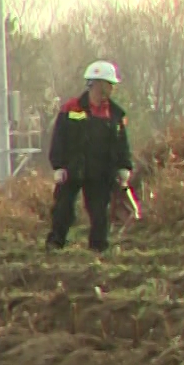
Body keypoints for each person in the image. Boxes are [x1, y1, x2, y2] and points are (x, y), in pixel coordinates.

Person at [46, 61, 133, 254]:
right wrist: (58, 166)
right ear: (97, 84)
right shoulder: (71, 109)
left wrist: (124, 167)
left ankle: (98, 249)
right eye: (109, 84)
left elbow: (121, 143)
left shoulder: (116, 114)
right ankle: (55, 244)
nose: (111, 89)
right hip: (73, 168)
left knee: (99, 213)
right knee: (63, 209)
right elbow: (59, 138)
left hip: (101, 172)